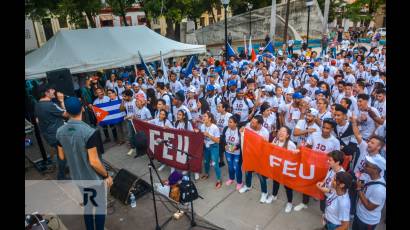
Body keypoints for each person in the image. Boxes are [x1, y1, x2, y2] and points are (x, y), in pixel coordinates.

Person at [56, 97, 113, 230]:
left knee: (88, 205)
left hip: (77, 176)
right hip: (93, 178)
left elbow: (61, 156)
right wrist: (106, 175)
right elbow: (94, 162)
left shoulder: (60, 132)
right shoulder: (89, 132)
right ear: (82, 108)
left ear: (67, 112)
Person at [294, 119, 340, 211]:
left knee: (322, 185)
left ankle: (319, 201)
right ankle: (304, 203)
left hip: (324, 167)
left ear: (332, 129)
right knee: (307, 183)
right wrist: (300, 150)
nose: (325, 130)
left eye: (328, 128)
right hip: (312, 164)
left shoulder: (335, 141)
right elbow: (307, 147)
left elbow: (336, 156)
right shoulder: (314, 135)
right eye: (323, 127)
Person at [34, 84, 68, 180]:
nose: (54, 91)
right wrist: (61, 101)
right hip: (56, 135)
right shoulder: (50, 105)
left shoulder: (37, 104)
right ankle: (61, 176)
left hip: (48, 135)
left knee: (61, 153)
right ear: (46, 93)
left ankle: (63, 170)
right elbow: (66, 114)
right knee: (62, 155)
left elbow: (37, 120)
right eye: (52, 90)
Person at [239, 115, 270, 204]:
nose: (251, 124)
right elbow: (243, 131)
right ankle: (248, 186)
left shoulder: (265, 132)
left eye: (253, 123)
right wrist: (241, 130)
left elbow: (265, 147)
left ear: (259, 124)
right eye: (251, 121)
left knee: (261, 176)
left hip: (259, 158)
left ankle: (264, 192)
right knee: (247, 171)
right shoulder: (249, 126)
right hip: (249, 155)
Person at [269, 126, 298, 212]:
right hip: (277, 167)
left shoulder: (291, 145)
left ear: (288, 135)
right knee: (275, 182)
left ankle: (289, 202)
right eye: (280, 130)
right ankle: (274, 195)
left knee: (288, 186)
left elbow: (294, 159)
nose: (281, 132)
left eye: (284, 131)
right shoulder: (275, 140)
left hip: (286, 170)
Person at [353, 155, 386, 230]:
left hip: (367, 221)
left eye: (367, 165)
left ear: (376, 170)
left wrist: (359, 189)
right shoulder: (369, 177)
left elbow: (369, 207)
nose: (364, 166)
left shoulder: (380, 190)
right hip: (359, 214)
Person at [195, 111, 222, 189]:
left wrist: (209, 135)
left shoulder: (215, 127)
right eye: (203, 116)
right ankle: (206, 174)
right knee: (206, 161)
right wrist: (198, 132)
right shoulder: (202, 126)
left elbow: (218, 141)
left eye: (205, 116)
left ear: (210, 119)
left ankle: (219, 180)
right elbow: (201, 136)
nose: (203, 118)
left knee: (215, 163)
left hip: (214, 146)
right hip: (206, 146)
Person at [220, 114, 243, 190]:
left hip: (237, 153)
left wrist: (236, 147)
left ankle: (239, 182)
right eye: (228, 122)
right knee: (230, 166)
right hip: (228, 152)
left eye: (231, 122)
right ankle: (231, 178)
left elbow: (242, 142)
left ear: (236, 123)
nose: (228, 123)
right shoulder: (226, 128)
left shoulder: (239, 131)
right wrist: (225, 145)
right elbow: (223, 137)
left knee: (236, 167)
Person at [119, 89, 138, 156]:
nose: (123, 97)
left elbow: (138, 112)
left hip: (136, 121)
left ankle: (139, 147)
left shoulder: (135, 101)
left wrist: (130, 117)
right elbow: (121, 109)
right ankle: (133, 147)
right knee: (130, 135)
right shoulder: (125, 102)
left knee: (137, 134)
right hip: (129, 121)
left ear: (129, 96)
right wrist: (122, 102)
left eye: (124, 96)